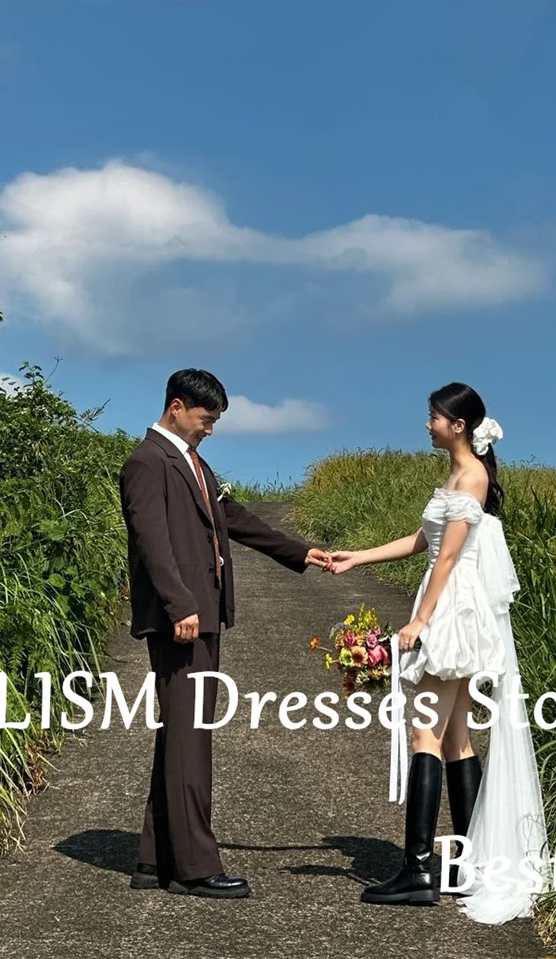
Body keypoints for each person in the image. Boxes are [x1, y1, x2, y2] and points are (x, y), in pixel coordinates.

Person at [327, 382, 547, 919]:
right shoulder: (456, 475)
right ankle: (465, 864)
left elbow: (447, 561)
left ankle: (418, 869)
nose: (427, 424)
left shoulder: (470, 476)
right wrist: (356, 558)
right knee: (454, 737)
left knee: (422, 729)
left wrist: (419, 620)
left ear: (459, 425)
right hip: (451, 600)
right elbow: (419, 543)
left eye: (434, 417)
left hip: (452, 608)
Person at [120, 368, 331, 899]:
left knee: (181, 736)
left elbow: (231, 516)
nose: (210, 428)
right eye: (205, 418)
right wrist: (180, 605)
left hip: (201, 615)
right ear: (176, 407)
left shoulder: (194, 463)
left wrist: (299, 552)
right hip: (182, 620)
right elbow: (152, 542)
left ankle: (154, 858)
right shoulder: (147, 463)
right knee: (191, 738)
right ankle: (194, 868)